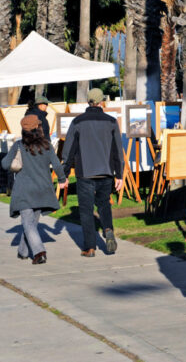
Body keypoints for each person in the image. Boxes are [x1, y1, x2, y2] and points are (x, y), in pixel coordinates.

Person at [59, 88, 125, 257]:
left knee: (86, 210)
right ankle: (108, 228)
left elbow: (69, 150)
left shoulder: (78, 122)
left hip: (85, 172)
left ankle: (90, 247)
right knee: (104, 204)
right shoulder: (111, 121)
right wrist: (119, 175)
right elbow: (118, 150)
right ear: (102, 101)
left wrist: (64, 174)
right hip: (106, 171)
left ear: (88, 101)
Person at [2, 115, 68, 264]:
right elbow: (57, 165)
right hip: (42, 191)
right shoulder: (47, 145)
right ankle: (23, 251)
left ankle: (39, 252)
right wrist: (62, 179)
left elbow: (5, 164)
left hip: (24, 191)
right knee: (31, 224)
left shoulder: (18, 145)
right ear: (38, 128)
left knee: (28, 223)